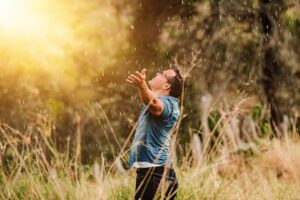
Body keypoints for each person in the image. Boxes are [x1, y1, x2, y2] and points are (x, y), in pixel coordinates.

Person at [126, 68, 183, 200]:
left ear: (167, 86)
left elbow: (156, 107)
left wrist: (143, 85)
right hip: (149, 172)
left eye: (162, 74)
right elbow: (149, 101)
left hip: (157, 174)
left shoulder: (170, 105)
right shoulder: (156, 100)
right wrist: (142, 87)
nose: (157, 73)